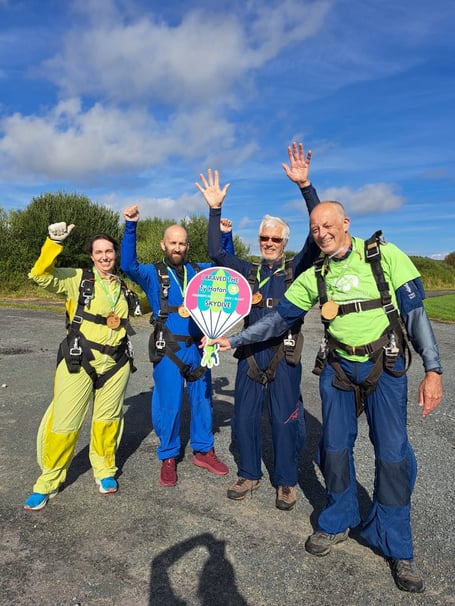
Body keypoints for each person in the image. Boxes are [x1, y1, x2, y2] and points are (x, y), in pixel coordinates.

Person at [209, 201, 443, 592]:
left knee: (392, 454)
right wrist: (233, 338)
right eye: (316, 228)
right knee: (333, 449)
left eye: (328, 225)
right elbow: (277, 319)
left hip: (384, 368)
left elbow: (416, 314)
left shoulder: (385, 256)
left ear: (346, 223)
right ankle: (337, 520)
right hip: (337, 369)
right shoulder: (314, 275)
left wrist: (433, 370)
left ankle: (398, 546)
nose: (322, 232)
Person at [195, 142, 321, 511]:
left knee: (284, 422)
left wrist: (305, 188)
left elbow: (317, 237)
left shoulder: (295, 270)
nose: (268, 243)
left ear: (285, 243)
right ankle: (249, 473)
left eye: (275, 239)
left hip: (284, 354)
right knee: (245, 420)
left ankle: (285, 481)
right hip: (249, 354)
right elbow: (217, 252)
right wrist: (214, 209)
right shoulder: (246, 272)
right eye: (264, 238)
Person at [24, 223, 137, 511]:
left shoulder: (123, 287)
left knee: (108, 420)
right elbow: (39, 275)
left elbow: (148, 306)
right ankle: (48, 481)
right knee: (64, 423)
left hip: (116, 363)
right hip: (79, 359)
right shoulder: (78, 279)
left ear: (116, 254)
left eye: (109, 251)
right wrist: (53, 243)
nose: (104, 256)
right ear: (91, 256)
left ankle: (105, 470)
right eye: (98, 252)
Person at [120, 212, 234, 486]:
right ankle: (169, 455)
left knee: (202, 400)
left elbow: (226, 272)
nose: (178, 248)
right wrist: (131, 226)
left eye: (182, 244)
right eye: (173, 243)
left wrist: (226, 237)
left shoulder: (200, 270)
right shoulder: (151, 274)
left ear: (187, 246)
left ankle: (203, 450)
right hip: (168, 347)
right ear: (163, 245)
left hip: (198, 347)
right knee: (168, 404)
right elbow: (127, 264)